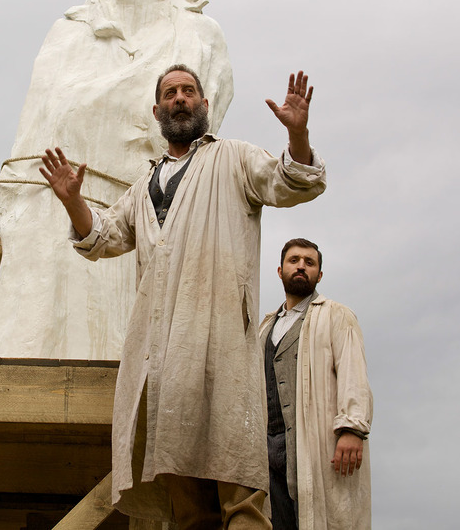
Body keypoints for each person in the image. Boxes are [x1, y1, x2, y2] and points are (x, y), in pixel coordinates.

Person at [39, 64, 327, 529]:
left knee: (242, 495)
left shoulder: (232, 158)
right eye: (170, 93)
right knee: (189, 508)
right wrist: (73, 200)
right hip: (165, 360)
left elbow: (291, 183)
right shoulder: (143, 186)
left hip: (223, 346)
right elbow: (103, 239)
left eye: (188, 91)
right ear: (157, 110)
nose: (180, 98)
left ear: (204, 105)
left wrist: (298, 136)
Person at [0, 0, 234, 360]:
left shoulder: (199, 32)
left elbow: (204, 114)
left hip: (146, 196)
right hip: (55, 191)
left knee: (126, 318)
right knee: (42, 309)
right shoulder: (71, 29)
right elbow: (41, 110)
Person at [260, 239, 372, 530]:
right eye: (294, 260)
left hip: (317, 442)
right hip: (267, 448)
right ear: (280, 270)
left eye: (309, 263)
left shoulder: (336, 314)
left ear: (319, 275)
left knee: (325, 520)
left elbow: (354, 372)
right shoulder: (265, 326)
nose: (301, 267)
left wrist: (352, 428)